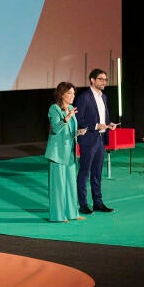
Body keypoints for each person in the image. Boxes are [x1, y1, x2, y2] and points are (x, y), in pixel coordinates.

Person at [75, 67, 117, 213]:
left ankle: (98, 202)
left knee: (97, 173)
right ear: (92, 80)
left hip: (100, 139)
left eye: (105, 79)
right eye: (101, 79)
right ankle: (83, 204)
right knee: (84, 172)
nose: (104, 82)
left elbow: (103, 117)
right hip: (88, 140)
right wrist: (95, 126)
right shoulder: (84, 97)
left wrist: (109, 124)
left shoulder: (103, 96)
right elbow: (78, 119)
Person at [45, 81, 87, 222]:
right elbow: (55, 129)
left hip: (70, 152)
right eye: (69, 93)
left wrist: (78, 132)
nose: (72, 96)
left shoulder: (70, 108)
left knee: (70, 184)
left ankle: (72, 213)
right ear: (61, 94)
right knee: (58, 185)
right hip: (57, 153)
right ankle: (58, 216)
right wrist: (67, 117)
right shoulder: (54, 108)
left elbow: (70, 130)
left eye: (74, 93)